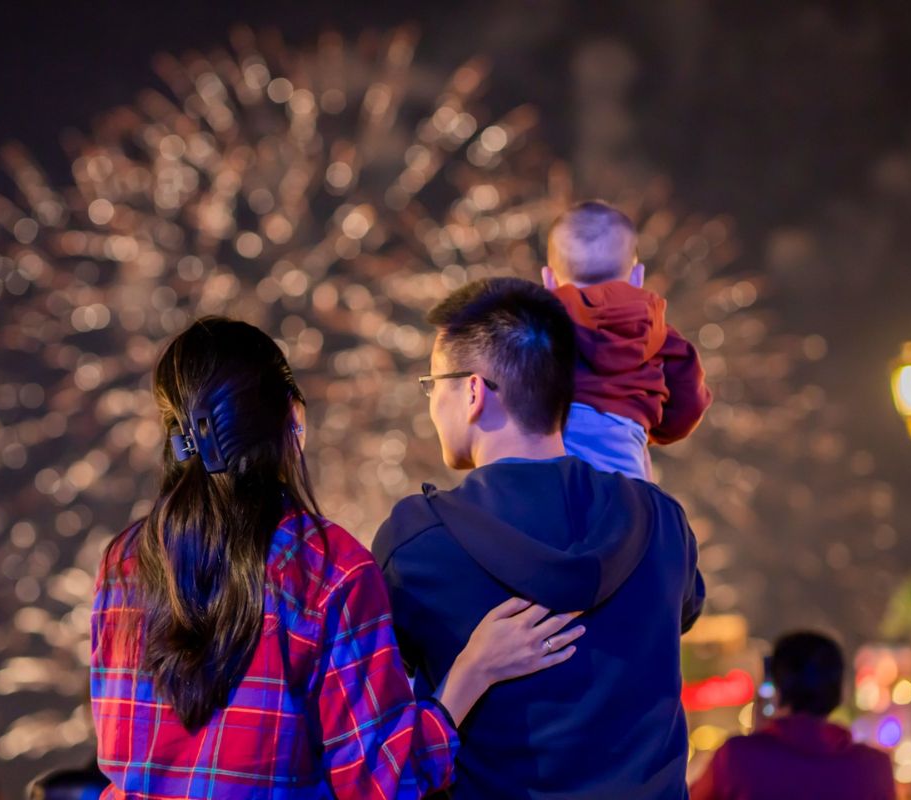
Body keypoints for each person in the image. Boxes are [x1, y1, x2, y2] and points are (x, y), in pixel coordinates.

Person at [91, 317, 584, 799]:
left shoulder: (123, 562)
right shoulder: (329, 570)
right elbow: (381, 785)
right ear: (294, 419)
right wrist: (472, 673)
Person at [373, 277, 705, 799]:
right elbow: (682, 613)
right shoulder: (661, 522)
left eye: (432, 384)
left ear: (473, 391)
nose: (432, 403)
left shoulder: (417, 543)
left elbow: (382, 718)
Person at [543, 200, 711, 480]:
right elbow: (688, 407)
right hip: (624, 468)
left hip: (549, 461)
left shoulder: (540, 323)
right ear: (637, 277)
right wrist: (652, 428)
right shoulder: (660, 334)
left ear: (548, 279)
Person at [690, 631, 896, 800]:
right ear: (839, 691)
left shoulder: (735, 758)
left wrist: (756, 740)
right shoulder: (873, 768)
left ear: (777, 688)